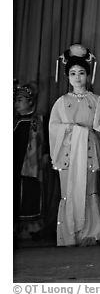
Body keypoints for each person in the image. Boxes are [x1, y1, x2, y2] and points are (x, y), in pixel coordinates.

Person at [49, 44, 100, 247]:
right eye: (73, 73)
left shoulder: (96, 101)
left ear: (88, 75)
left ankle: (90, 234)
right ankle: (68, 235)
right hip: (68, 153)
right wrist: (73, 129)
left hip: (90, 152)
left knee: (90, 191)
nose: (77, 77)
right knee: (68, 192)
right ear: (67, 76)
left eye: (81, 72)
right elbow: (54, 128)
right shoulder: (61, 102)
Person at [13, 82, 52, 242]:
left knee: (30, 194)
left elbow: (45, 142)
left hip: (31, 166)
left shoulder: (39, 120)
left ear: (30, 101)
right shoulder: (14, 122)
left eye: (20, 100)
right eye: (16, 100)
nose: (16, 104)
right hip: (15, 164)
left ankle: (32, 227)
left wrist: (45, 155)